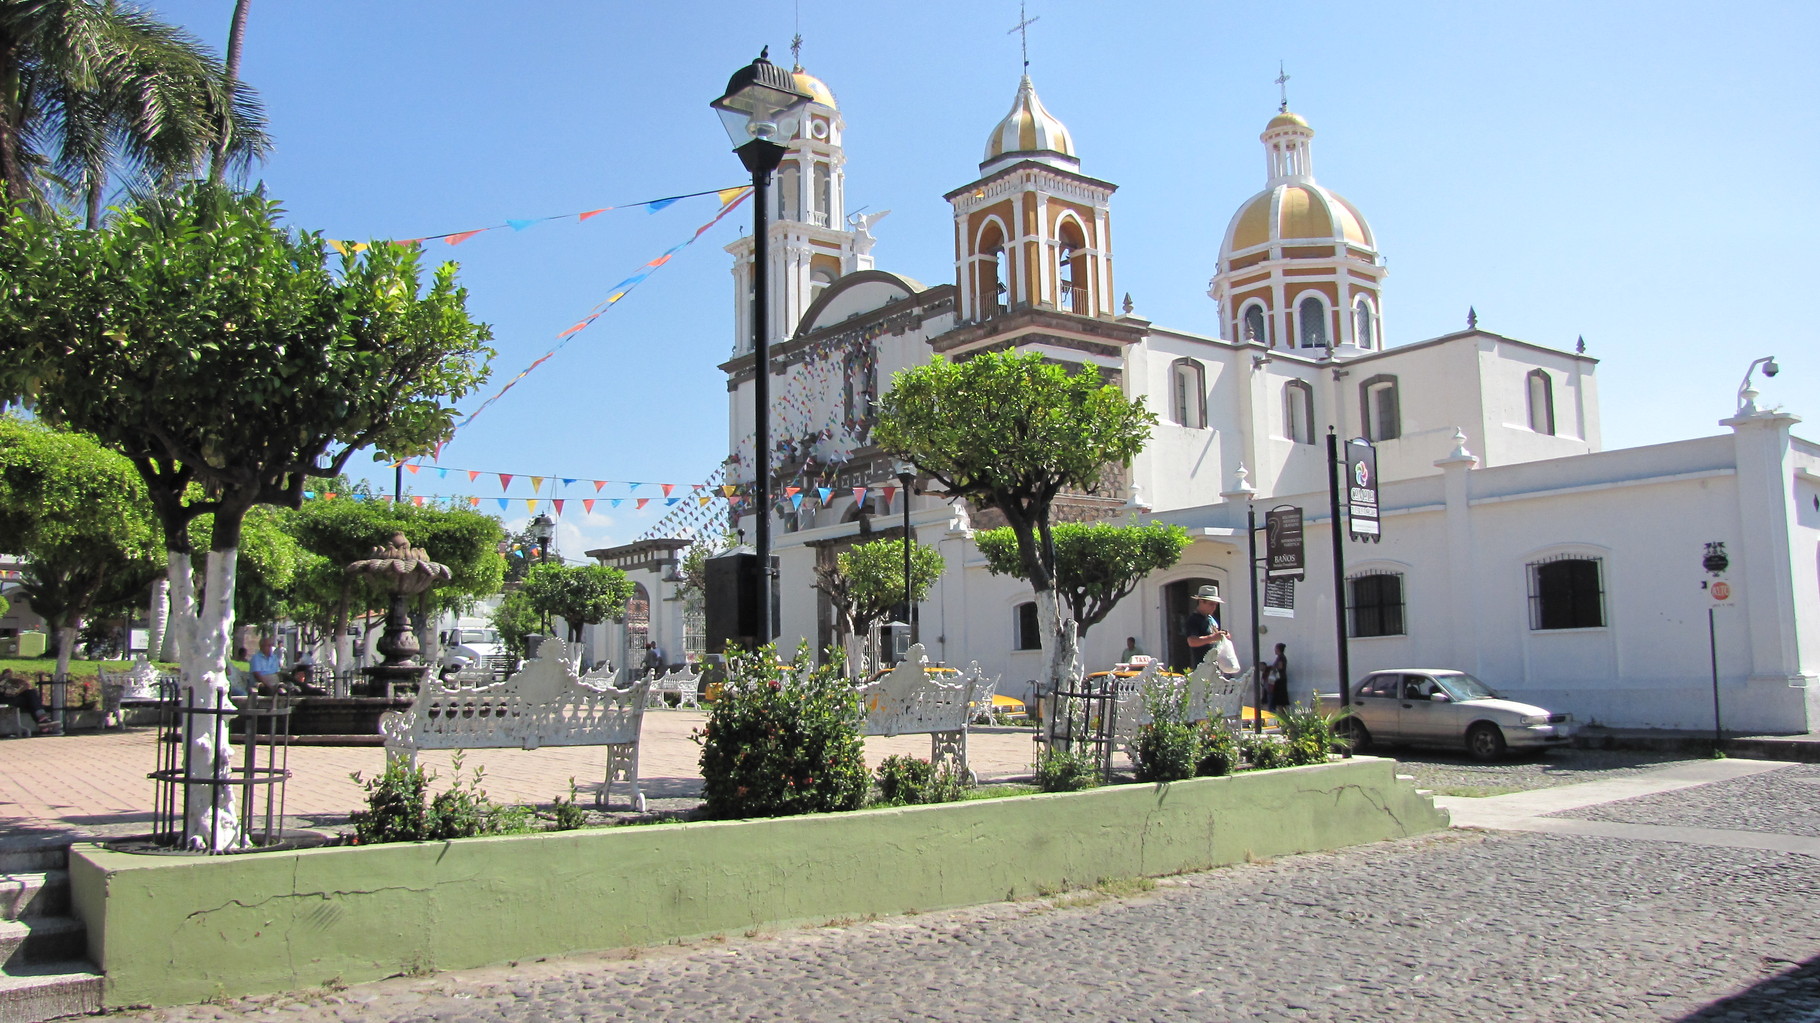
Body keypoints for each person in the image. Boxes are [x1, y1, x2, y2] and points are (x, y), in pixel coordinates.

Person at [0, 668, 61, 735]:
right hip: (3, 697)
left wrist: (10, 680)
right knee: (30, 701)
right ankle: (42, 721)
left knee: (31, 693)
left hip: (7, 694)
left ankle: (42, 720)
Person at [1181, 585, 1228, 666]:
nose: (1214, 607)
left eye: (1215, 604)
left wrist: (1224, 635)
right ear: (1201, 602)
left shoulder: (1210, 618)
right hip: (1203, 666)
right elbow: (1192, 641)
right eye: (1211, 604)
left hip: (1215, 664)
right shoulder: (1193, 620)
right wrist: (1213, 637)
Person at [1266, 642, 1289, 710]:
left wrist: (1273, 669)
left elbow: (1280, 667)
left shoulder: (1281, 657)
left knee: (1280, 700)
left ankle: (1282, 715)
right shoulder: (1280, 657)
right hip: (1279, 680)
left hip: (1280, 680)